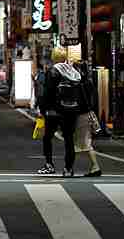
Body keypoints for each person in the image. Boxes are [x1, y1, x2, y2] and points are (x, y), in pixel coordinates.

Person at [37, 48, 83, 177]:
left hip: (55, 111)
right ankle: (68, 168)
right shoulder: (74, 71)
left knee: (47, 137)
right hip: (72, 110)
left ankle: (49, 165)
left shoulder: (53, 71)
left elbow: (47, 93)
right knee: (69, 139)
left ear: (54, 58)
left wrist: (43, 109)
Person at [73, 62, 102, 178]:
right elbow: (94, 100)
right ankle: (93, 167)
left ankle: (95, 166)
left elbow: (78, 102)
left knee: (84, 143)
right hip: (88, 115)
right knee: (83, 142)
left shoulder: (80, 85)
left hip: (82, 116)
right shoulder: (89, 83)